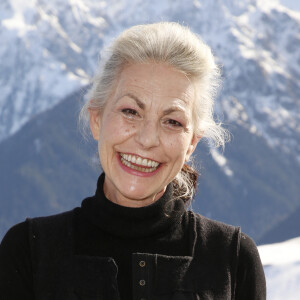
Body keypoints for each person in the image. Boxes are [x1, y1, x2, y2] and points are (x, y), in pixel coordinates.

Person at [0, 22, 266, 299]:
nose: (148, 138)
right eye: (131, 111)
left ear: (192, 144)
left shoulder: (232, 259)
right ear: (97, 119)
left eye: (172, 121)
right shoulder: (29, 253)